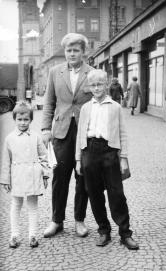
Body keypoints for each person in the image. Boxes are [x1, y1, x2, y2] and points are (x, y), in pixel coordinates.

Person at [75, 69, 139, 250]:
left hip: (110, 151)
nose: (96, 88)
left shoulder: (115, 107)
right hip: (89, 151)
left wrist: (124, 157)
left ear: (106, 84)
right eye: (93, 85)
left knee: (116, 194)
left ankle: (125, 233)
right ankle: (104, 230)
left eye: (100, 84)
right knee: (94, 193)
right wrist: (79, 160)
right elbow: (81, 135)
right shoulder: (86, 108)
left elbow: (123, 133)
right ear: (89, 87)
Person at [41, 33, 94, 238]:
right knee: (60, 178)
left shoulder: (92, 73)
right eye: (68, 50)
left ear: (83, 52)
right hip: (61, 133)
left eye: (76, 50)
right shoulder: (55, 72)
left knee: (83, 178)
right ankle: (56, 220)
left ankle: (79, 220)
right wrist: (46, 129)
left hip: (85, 133)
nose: (72, 54)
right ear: (65, 52)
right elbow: (48, 103)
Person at [0, 101, 49, 248]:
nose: (22, 123)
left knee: (33, 206)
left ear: (31, 120)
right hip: (17, 177)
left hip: (33, 176)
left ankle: (32, 235)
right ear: (14, 119)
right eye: (19, 119)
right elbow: (6, 161)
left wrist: (45, 174)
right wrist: (5, 180)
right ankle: (14, 235)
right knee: (16, 205)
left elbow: (44, 156)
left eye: (26, 119)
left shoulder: (36, 137)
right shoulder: (9, 138)